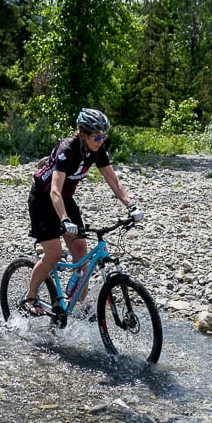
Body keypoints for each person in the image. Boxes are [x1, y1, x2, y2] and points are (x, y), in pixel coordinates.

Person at [21, 108, 143, 316]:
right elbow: (54, 190)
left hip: (66, 200)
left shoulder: (97, 151)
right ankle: (30, 296)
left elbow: (114, 182)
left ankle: (81, 304)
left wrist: (131, 206)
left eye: (104, 136)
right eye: (97, 137)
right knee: (54, 253)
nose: (101, 140)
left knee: (81, 251)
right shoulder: (67, 149)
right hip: (43, 200)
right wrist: (64, 219)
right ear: (83, 134)